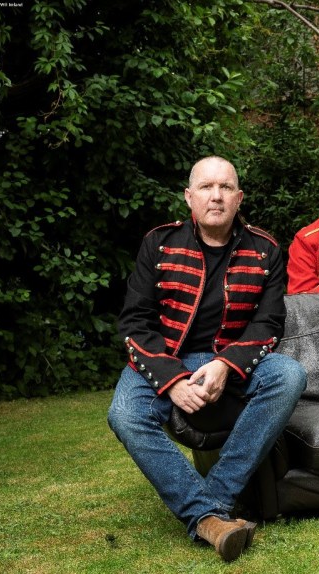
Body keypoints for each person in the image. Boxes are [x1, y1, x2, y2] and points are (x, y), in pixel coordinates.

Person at [107, 156, 307, 562]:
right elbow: (135, 323)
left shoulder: (266, 250)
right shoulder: (159, 243)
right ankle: (210, 516)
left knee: (289, 374)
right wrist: (172, 380)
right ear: (189, 197)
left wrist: (225, 365)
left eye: (225, 187)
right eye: (206, 187)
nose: (216, 196)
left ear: (239, 198)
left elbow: (269, 323)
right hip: (165, 356)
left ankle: (213, 499)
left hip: (226, 358)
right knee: (124, 414)